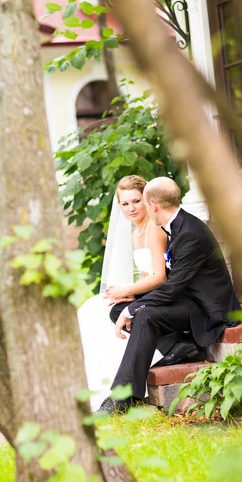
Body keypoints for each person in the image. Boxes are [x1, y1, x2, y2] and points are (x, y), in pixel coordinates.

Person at [99, 177, 242, 414]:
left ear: (153, 205)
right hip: (188, 299)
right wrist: (130, 302)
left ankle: (122, 398)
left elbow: (171, 286)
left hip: (207, 309)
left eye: (141, 202)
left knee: (143, 315)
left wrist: (133, 308)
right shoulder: (177, 226)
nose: (137, 209)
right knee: (128, 310)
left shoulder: (189, 233)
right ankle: (181, 347)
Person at [78, 175, 168, 410]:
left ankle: (122, 387)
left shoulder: (154, 230)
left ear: (147, 199)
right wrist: (131, 295)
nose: (131, 208)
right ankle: (92, 383)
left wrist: (129, 291)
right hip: (149, 292)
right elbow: (144, 277)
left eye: (136, 201)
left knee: (107, 311)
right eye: (125, 204)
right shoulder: (135, 233)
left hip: (165, 294)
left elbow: (160, 277)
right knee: (93, 308)